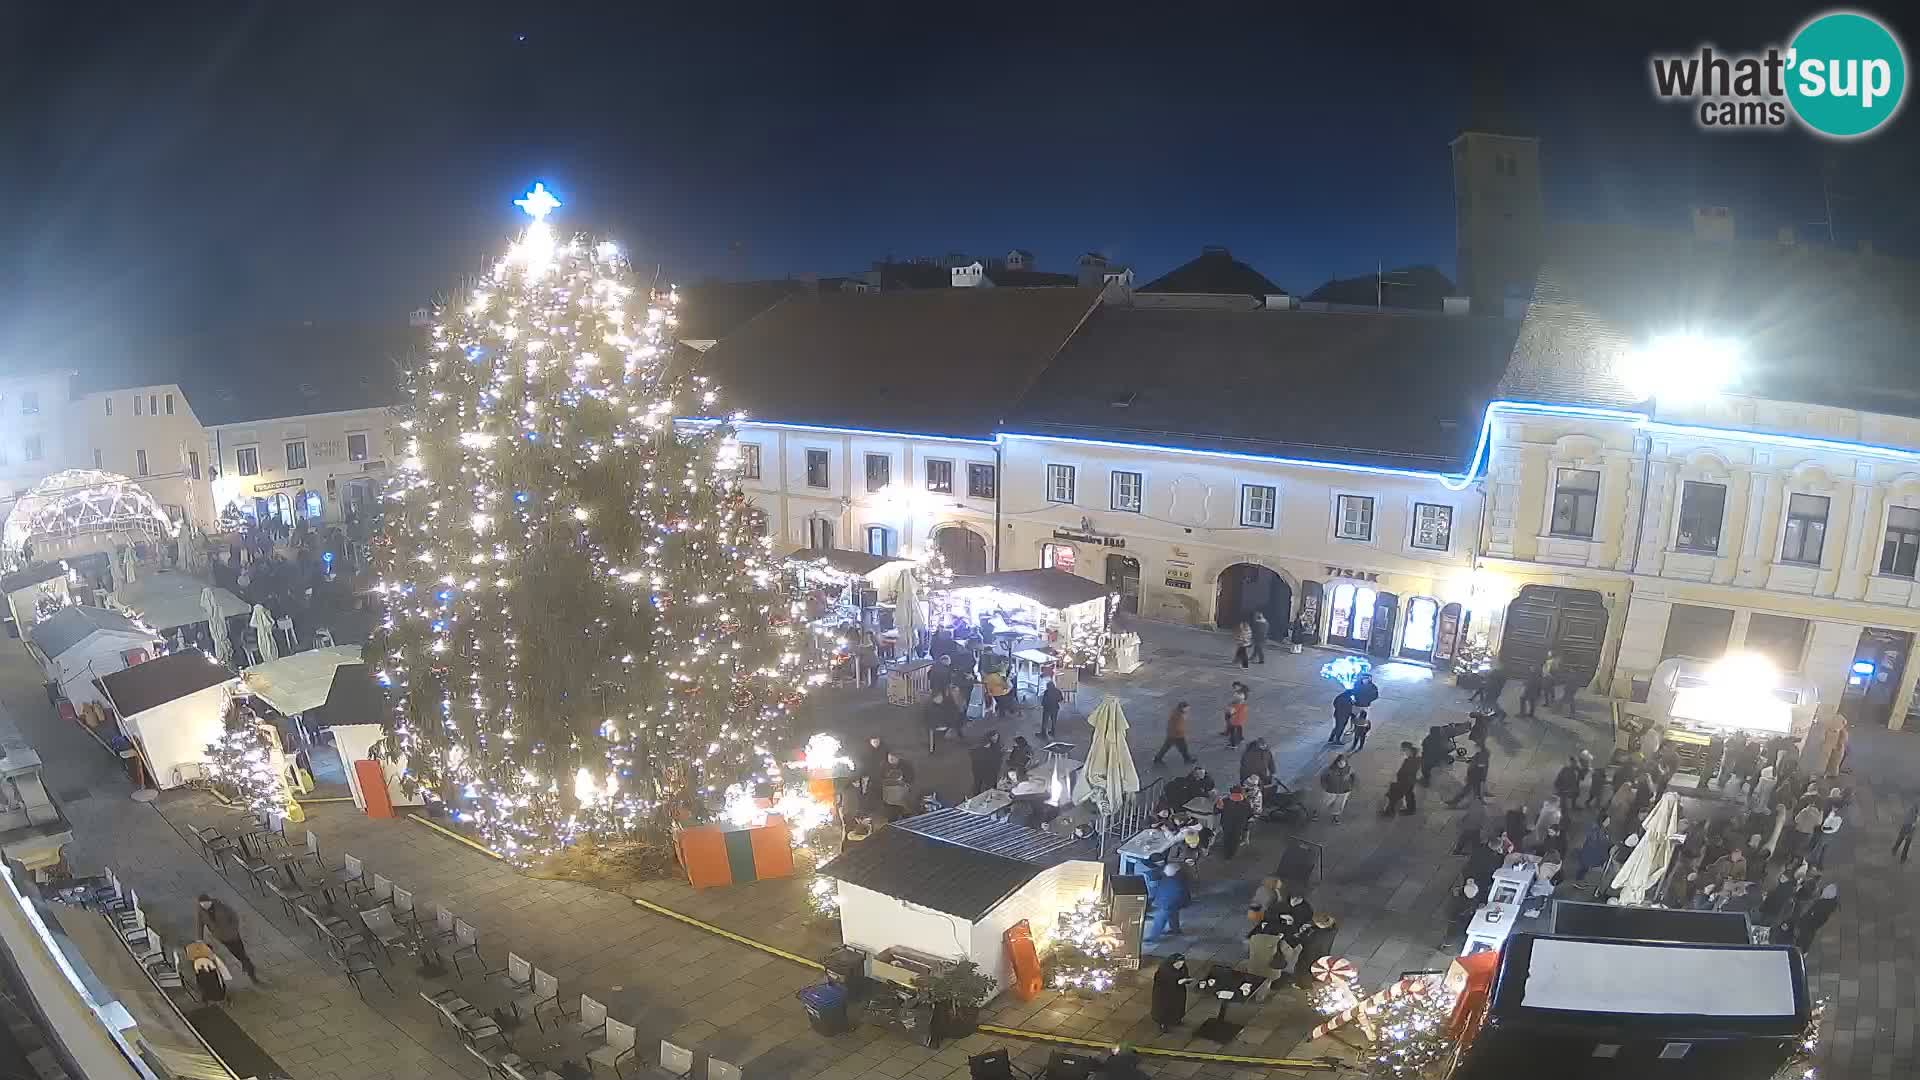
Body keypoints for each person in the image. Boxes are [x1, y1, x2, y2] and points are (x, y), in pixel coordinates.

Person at [195, 895, 257, 980]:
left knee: (240, 951)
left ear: (210, 902)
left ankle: (250, 970)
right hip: (221, 937)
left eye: (206, 905)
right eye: (202, 906)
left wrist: (233, 930)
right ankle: (246, 964)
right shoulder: (201, 911)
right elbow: (200, 924)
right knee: (235, 952)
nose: (205, 907)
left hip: (233, 935)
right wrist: (200, 939)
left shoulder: (221, 907)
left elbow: (234, 917)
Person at [1145, 864, 1190, 942]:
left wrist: (1161, 903)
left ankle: (1153, 938)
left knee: (1159, 919)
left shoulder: (1173, 881)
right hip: (1173, 903)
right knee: (1173, 915)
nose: (1165, 872)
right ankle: (1175, 930)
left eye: (1166, 871)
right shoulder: (1175, 878)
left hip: (1168, 903)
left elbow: (1169, 893)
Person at [1292, 914, 1337, 990]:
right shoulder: (1332, 930)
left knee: (1303, 970)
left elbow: (1302, 940)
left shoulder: (1315, 935)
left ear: (1320, 924)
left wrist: (1301, 933)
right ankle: (1315, 982)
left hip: (1308, 956)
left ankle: (1302, 985)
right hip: (1322, 954)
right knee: (1317, 969)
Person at [1151, 955, 1193, 1031]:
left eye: (1181, 964)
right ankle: (1163, 1023)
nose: (1180, 966)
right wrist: (1176, 982)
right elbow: (1161, 981)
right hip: (1165, 992)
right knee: (1164, 1007)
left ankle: (1176, 1019)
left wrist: (1187, 980)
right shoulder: (1164, 969)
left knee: (1178, 1005)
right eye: (1178, 964)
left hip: (1178, 991)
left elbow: (1186, 975)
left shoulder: (1183, 968)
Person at [1795, 883, 1839, 953]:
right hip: (1817, 922)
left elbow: (1812, 913)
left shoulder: (1822, 904)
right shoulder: (1832, 903)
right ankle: (1803, 948)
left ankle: (1801, 949)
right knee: (1808, 934)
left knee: (1805, 935)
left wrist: (1803, 919)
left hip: (1811, 921)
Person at [1217, 787, 1254, 859]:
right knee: (1235, 839)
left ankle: (1227, 853)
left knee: (1227, 838)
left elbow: (1217, 810)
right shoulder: (1246, 803)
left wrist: (1218, 805)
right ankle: (1231, 853)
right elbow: (1250, 815)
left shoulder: (1225, 801)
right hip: (1239, 826)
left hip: (1227, 824)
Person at [1319, 755, 1356, 822]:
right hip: (1330, 790)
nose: (1341, 764)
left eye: (1343, 762)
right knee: (1325, 802)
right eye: (1340, 762)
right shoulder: (1329, 769)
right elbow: (1323, 778)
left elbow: (1354, 777)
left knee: (1339, 804)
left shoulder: (1349, 769)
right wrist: (1324, 786)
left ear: (1346, 762)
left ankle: (1335, 816)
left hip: (1344, 791)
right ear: (1336, 762)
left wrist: (1351, 786)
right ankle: (1317, 812)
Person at [880, 752, 916, 820]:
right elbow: (880, 778)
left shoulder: (906, 765)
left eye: (893, 757)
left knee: (905, 814)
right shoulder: (884, 765)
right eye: (889, 757)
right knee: (891, 816)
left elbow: (910, 778)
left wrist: (904, 784)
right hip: (888, 796)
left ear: (898, 757)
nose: (891, 759)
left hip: (901, 795)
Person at [1386, 743, 1419, 815]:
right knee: (1409, 794)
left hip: (1405, 781)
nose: (1403, 751)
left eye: (1404, 750)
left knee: (1394, 796)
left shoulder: (1411, 761)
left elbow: (1406, 771)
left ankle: (1390, 812)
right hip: (1408, 781)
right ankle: (1411, 809)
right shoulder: (1413, 759)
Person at [1553, 756, 1583, 821]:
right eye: (1573, 763)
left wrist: (1579, 770)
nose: (1575, 764)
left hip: (1572, 788)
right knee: (1563, 805)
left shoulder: (1576, 769)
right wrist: (1559, 789)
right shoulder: (1565, 770)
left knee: (1575, 795)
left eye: (1575, 762)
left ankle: (1573, 806)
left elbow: (1581, 777)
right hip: (1564, 790)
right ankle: (1563, 818)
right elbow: (1558, 780)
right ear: (1570, 763)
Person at [1039, 676, 1064, 741]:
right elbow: (1061, 699)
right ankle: (1053, 733)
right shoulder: (1058, 691)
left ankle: (1043, 734)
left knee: (1045, 722)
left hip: (1047, 709)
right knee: (1054, 721)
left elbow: (1044, 701)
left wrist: (1043, 705)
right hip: (1055, 708)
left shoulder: (1046, 692)